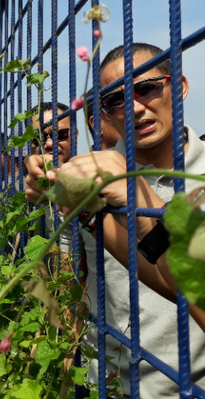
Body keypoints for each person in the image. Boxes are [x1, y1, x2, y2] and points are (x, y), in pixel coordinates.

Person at [24, 43, 205, 398]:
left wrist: (139, 196)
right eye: (116, 100)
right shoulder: (93, 176)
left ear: (179, 86)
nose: (135, 108)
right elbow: (152, 274)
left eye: (148, 88)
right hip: (102, 381)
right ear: (103, 114)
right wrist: (66, 199)